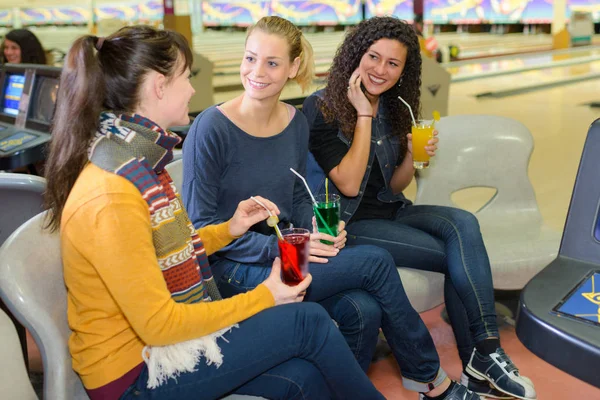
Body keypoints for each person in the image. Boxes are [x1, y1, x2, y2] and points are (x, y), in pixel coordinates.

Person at [43, 25, 388, 400]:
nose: (192, 89)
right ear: (159, 86)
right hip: (133, 375)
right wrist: (267, 295)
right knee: (308, 321)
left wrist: (230, 229)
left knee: (303, 376)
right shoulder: (113, 192)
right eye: (186, 78)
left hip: (155, 352)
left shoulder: (132, 160)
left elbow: (158, 253)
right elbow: (161, 325)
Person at [183, 16, 479, 400]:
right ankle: (431, 381)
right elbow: (201, 230)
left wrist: (323, 228)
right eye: (250, 58)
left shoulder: (293, 123)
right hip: (233, 268)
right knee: (373, 261)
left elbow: (300, 197)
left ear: (293, 68)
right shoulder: (211, 128)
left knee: (363, 310)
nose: (257, 71)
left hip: (287, 253)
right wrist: (287, 247)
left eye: (272, 63)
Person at [303, 16, 536, 400]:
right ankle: (479, 360)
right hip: (350, 223)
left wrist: (411, 156)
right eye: (374, 57)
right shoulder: (323, 107)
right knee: (455, 254)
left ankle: (487, 351)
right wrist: (363, 113)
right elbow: (347, 182)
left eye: (393, 64)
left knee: (463, 223)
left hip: (390, 208)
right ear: (355, 55)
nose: (381, 69)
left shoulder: (397, 107)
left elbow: (394, 185)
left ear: (404, 70)